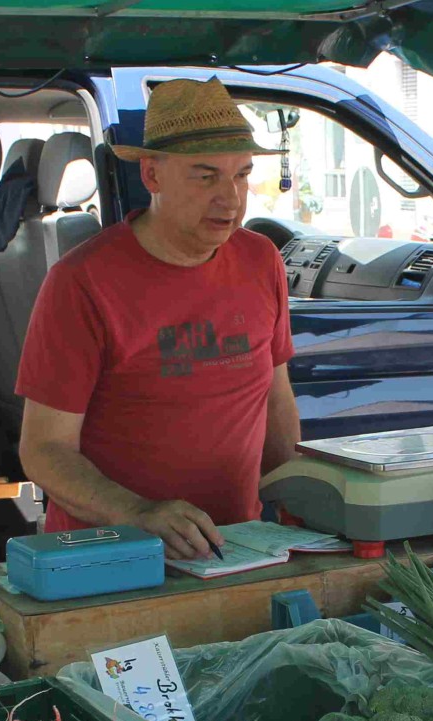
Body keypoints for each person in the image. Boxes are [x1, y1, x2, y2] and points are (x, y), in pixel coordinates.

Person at [16, 79, 302, 560]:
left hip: (236, 550)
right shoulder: (81, 281)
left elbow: (277, 400)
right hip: (113, 558)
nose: (231, 199)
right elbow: (43, 450)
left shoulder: (262, 259)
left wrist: (300, 499)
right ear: (151, 175)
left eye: (242, 175)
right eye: (206, 177)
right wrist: (138, 512)